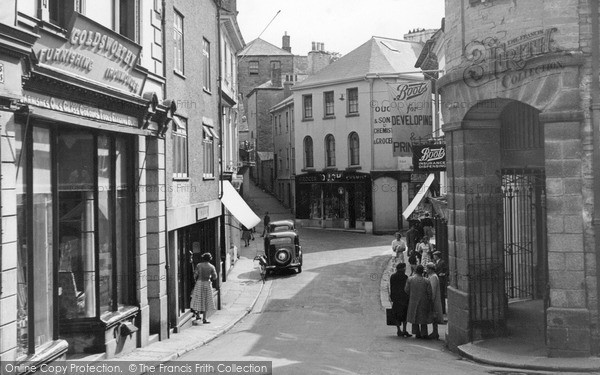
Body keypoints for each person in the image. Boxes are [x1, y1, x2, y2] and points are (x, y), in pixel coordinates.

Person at [404, 264, 433, 339]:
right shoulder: (426, 281)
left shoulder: (410, 279)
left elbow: (406, 290)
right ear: (422, 272)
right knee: (423, 317)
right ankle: (424, 333)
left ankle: (416, 332)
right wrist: (430, 300)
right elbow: (430, 292)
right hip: (424, 300)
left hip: (413, 299)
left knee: (415, 316)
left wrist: (412, 294)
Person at [190, 253, 217, 324]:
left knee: (198, 298)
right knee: (206, 300)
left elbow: (195, 274)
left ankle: (198, 315)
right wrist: (210, 276)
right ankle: (205, 318)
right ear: (210, 259)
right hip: (207, 283)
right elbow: (215, 277)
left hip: (199, 282)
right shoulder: (211, 267)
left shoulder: (199, 265)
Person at [389, 263, 411, 337]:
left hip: (396, 298)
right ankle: (404, 330)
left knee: (396, 314)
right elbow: (407, 288)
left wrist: (391, 297)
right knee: (405, 314)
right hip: (404, 298)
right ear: (402, 269)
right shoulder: (405, 277)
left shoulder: (393, 276)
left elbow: (391, 287)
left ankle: (398, 330)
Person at [426, 262, 444, 340]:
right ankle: (434, 332)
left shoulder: (433, 277)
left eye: (427, 268)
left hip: (434, 299)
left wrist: (431, 300)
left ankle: (435, 332)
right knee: (434, 316)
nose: (426, 270)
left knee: (434, 315)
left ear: (430, 269)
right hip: (434, 299)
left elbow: (433, 289)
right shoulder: (432, 276)